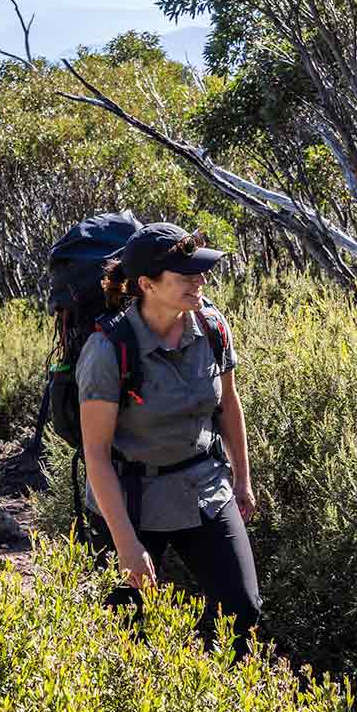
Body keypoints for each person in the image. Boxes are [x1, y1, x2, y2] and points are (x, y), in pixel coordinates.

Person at [77, 221, 263, 653]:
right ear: (147, 284)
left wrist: (242, 480)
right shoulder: (108, 351)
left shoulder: (212, 327)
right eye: (185, 276)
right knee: (125, 630)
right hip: (131, 499)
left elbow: (229, 406)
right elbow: (97, 455)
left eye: (200, 273)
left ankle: (208, 695)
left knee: (242, 608)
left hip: (204, 486)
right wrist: (126, 545)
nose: (199, 282)